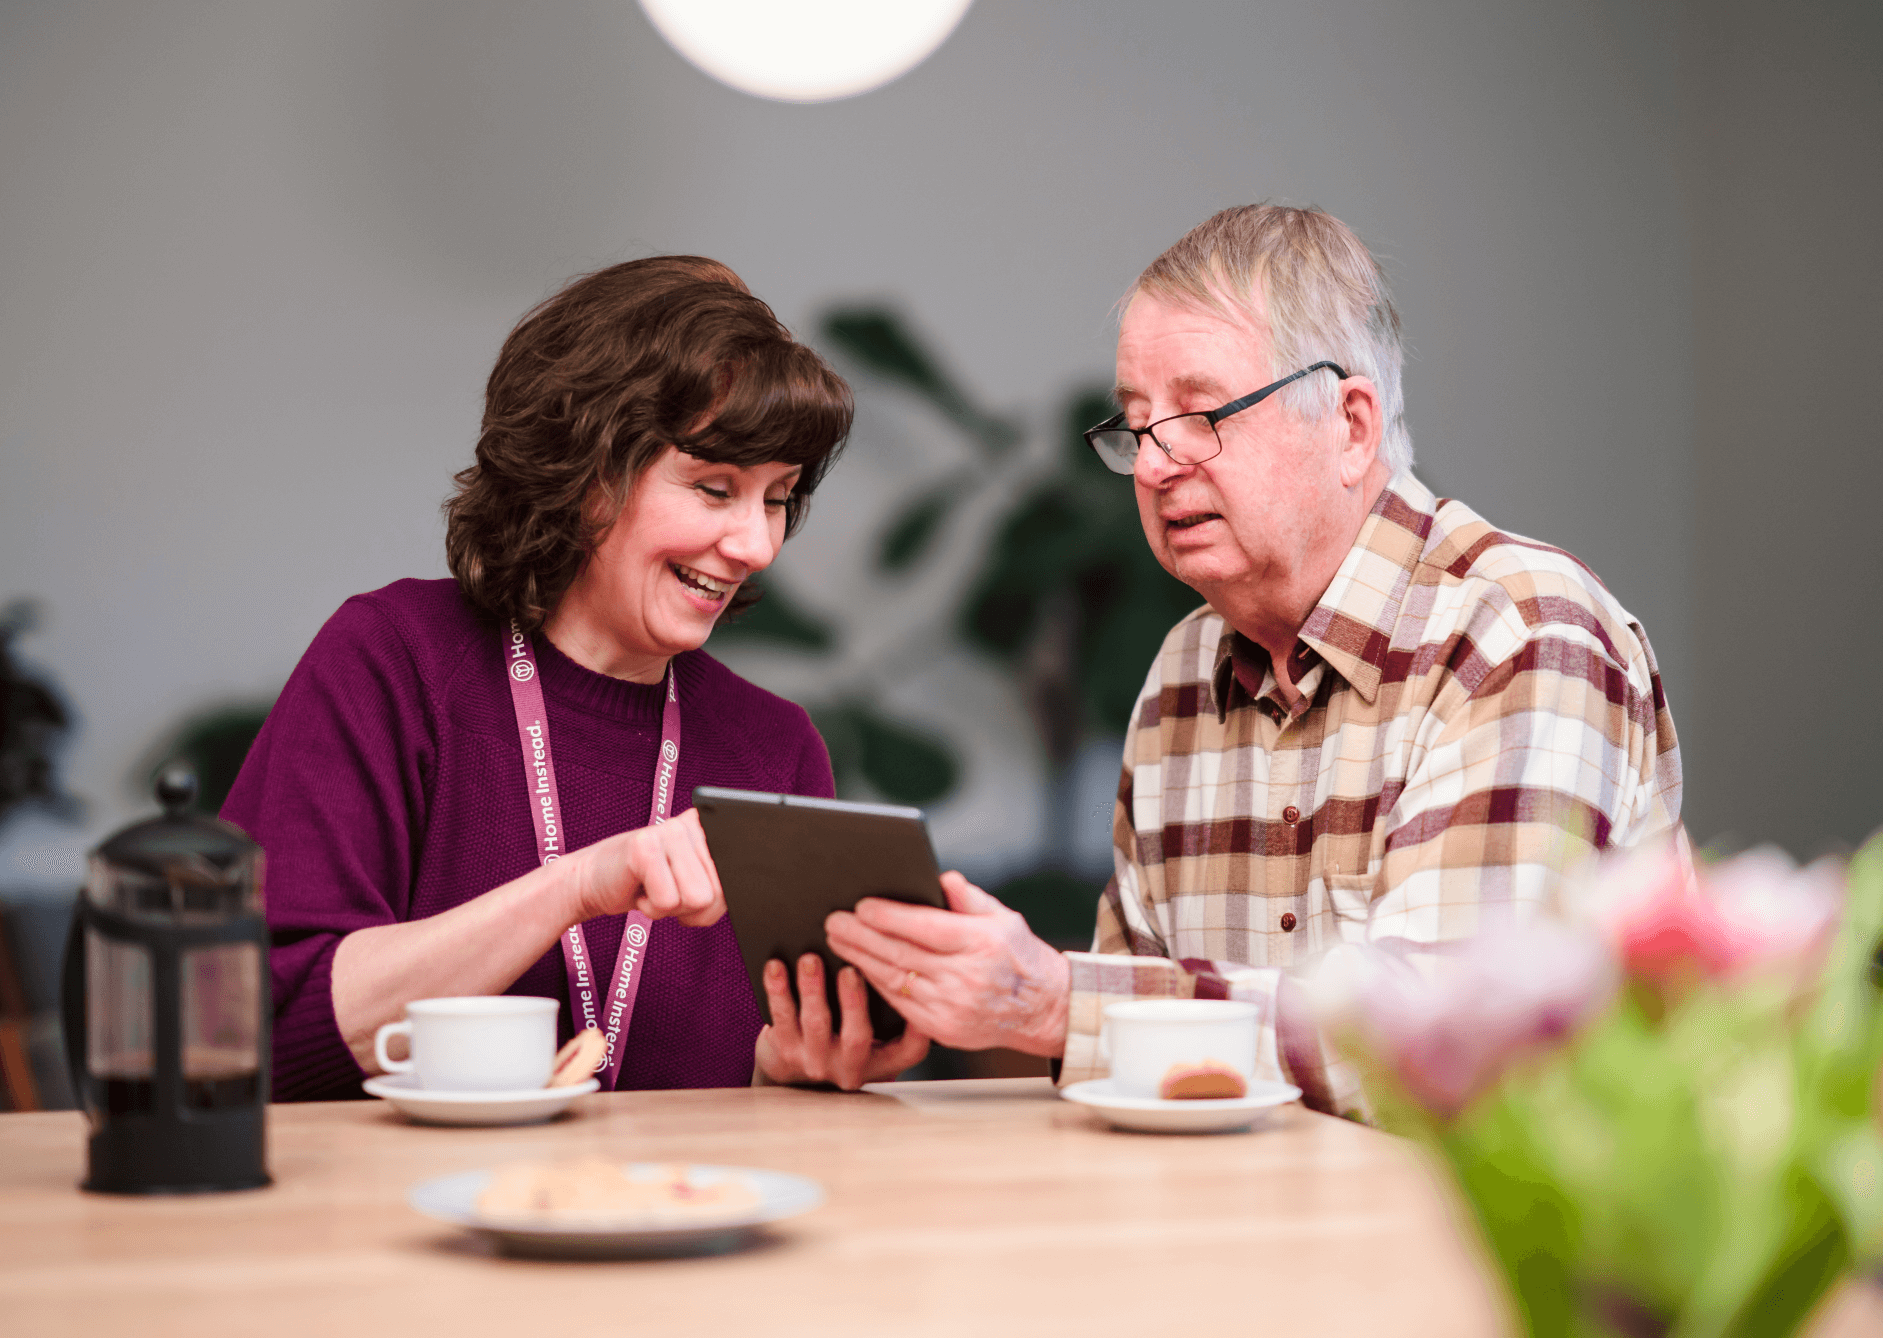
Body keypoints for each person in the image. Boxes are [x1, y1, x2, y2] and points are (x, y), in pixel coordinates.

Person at [825, 205, 1683, 1117]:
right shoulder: (1178, 674)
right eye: (1134, 423)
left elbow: (1445, 1053)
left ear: (1350, 426)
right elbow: (1132, 1076)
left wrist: (1053, 1003)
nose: (1154, 465)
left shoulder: (1517, 632)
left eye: (1200, 415)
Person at [224, 256, 930, 1101]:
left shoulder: (774, 747)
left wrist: (781, 1073)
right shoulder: (393, 660)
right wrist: (577, 887)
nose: (756, 546)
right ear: (588, 473)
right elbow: (258, 1029)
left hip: (678, 1219)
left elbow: (744, 1095)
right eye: (714, 488)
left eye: (777, 498)